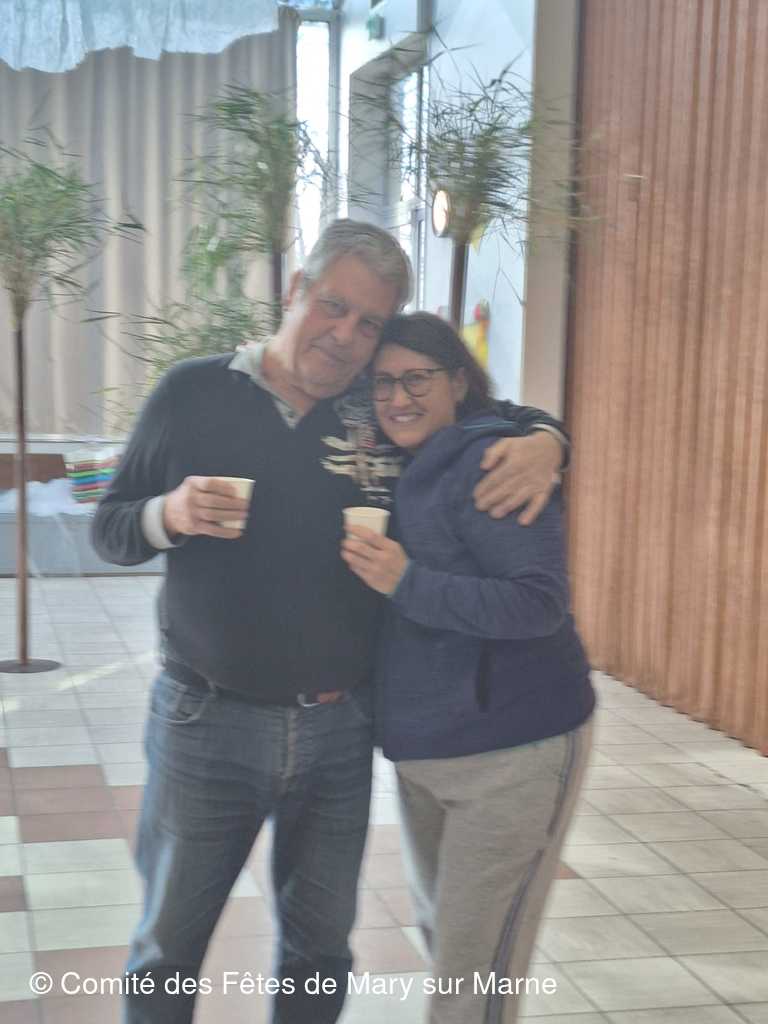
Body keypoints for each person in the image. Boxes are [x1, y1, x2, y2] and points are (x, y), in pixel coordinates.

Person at [92, 220, 569, 1024]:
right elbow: (106, 525)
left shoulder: (378, 405)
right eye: (334, 307)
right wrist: (166, 514)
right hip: (206, 721)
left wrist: (550, 441)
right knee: (168, 948)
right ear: (295, 292)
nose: (346, 335)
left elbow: (489, 411)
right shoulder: (192, 392)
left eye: (369, 322)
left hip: (341, 729)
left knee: (320, 952)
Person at [342, 311, 595, 1024]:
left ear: (457, 381)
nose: (398, 398)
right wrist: (551, 434)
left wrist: (405, 581)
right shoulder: (392, 454)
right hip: (426, 750)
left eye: (417, 378)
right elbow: (522, 413)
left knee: (471, 981)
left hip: (512, 750)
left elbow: (537, 603)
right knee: (450, 949)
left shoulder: (493, 461)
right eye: (384, 382)